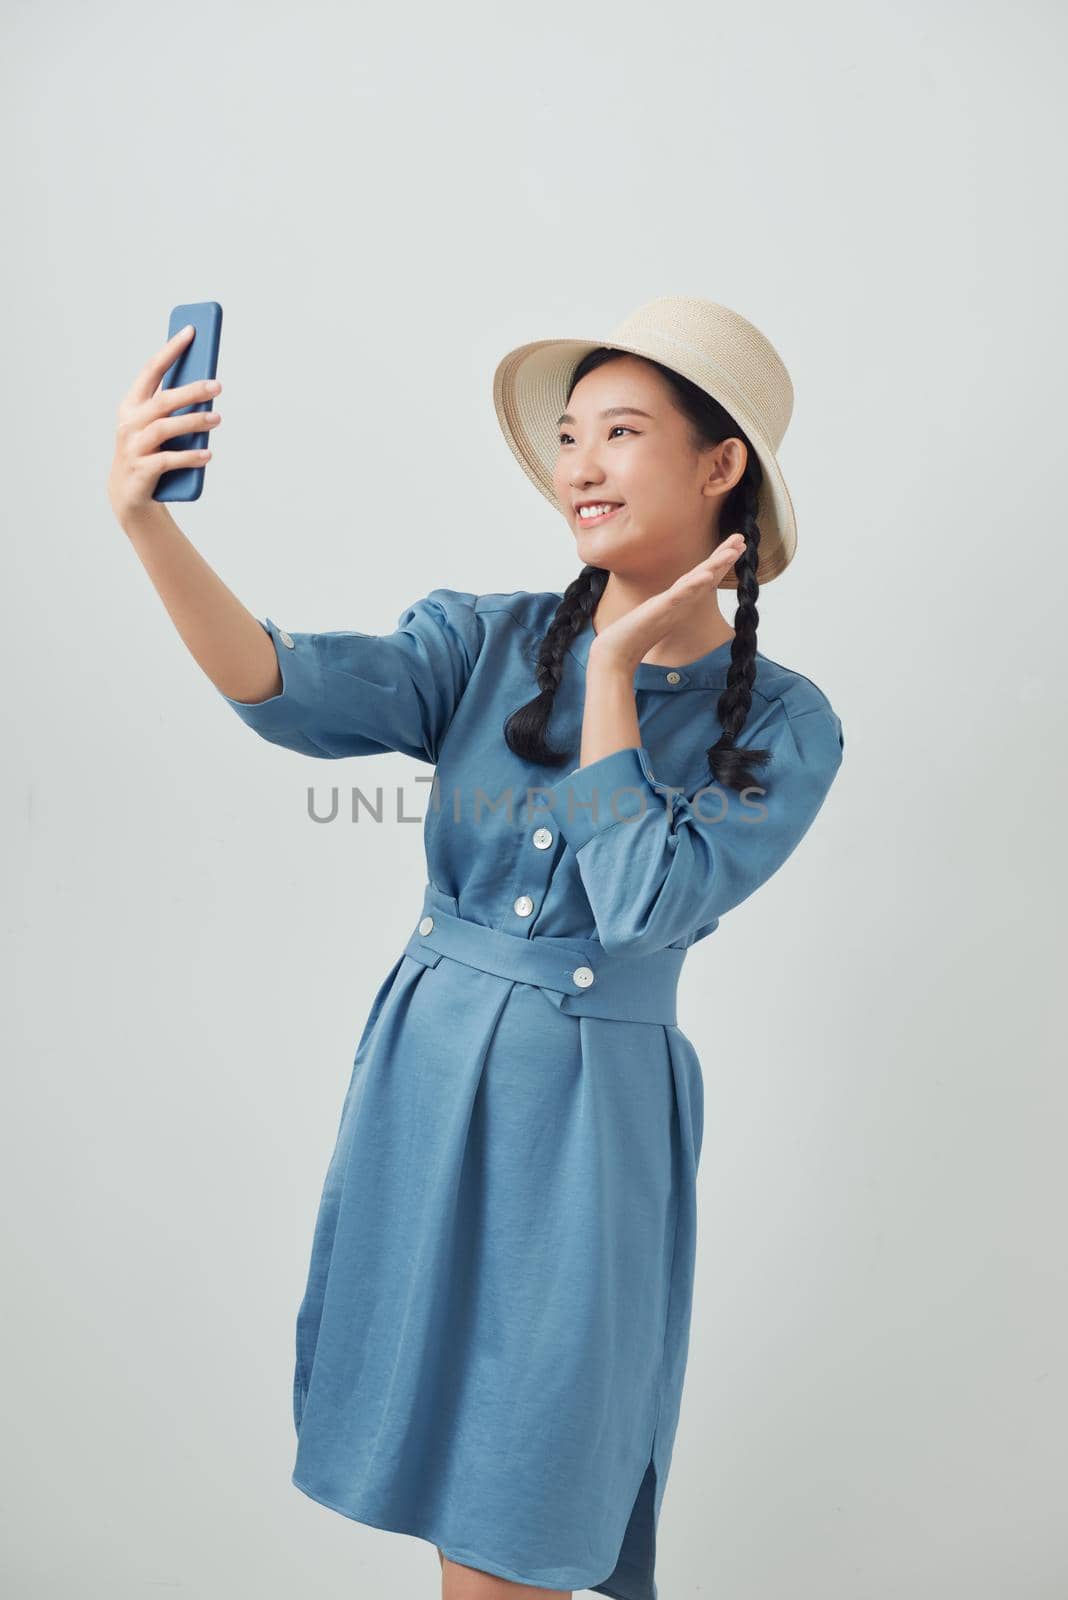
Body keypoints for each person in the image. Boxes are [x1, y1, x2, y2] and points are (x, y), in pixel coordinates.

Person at [107, 296, 845, 1600]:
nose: (581, 466)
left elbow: (644, 899)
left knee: (524, 1503)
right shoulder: (485, 638)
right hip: (428, 1076)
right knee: (455, 1495)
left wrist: (614, 671)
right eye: (570, 436)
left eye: (622, 432)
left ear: (721, 465)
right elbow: (288, 686)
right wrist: (147, 523)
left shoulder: (787, 729)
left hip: (587, 1128)